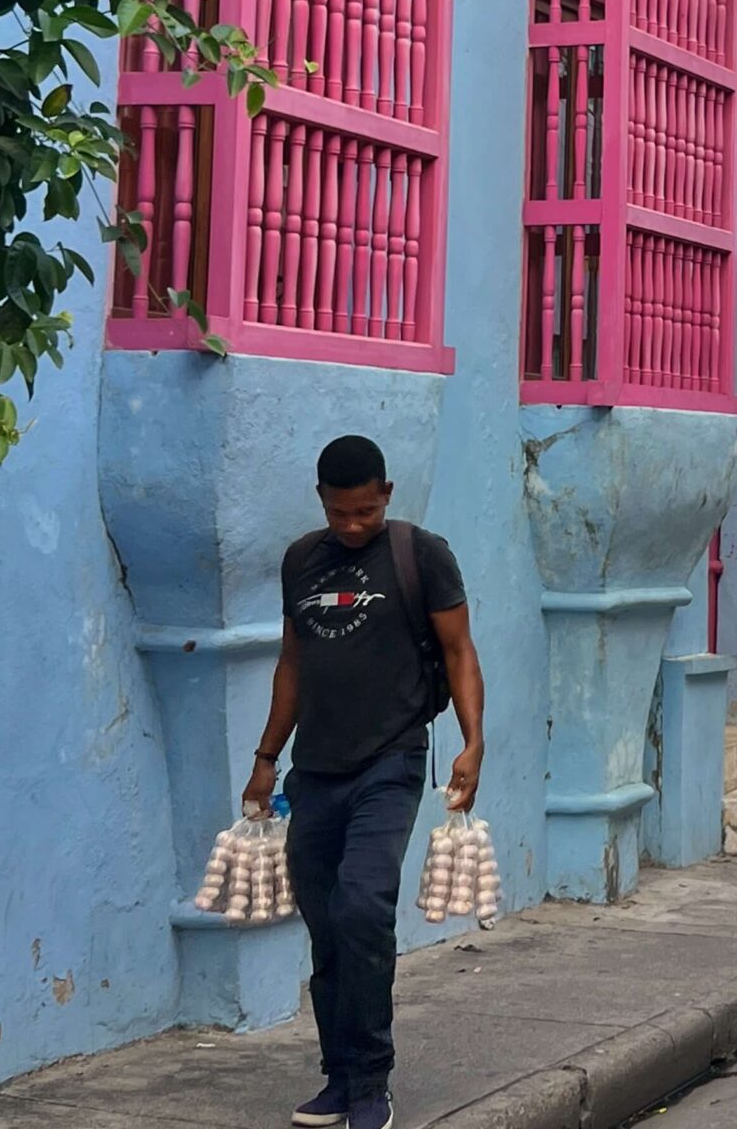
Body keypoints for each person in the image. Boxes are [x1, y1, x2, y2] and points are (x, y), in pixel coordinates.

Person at [250, 436, 486, 1129]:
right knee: (326, 924)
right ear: (321, 501)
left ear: (385, 493)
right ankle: (339, 1074)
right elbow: (292, 663)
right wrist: (267, 758)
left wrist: (473, 743)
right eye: (338, 513)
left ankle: (372, 1082)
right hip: (315, 769)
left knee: (361, 906)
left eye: (363, 511)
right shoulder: (301, 560)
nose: (351, 525)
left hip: (392, 760)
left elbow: (458, 651)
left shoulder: (422, 554)